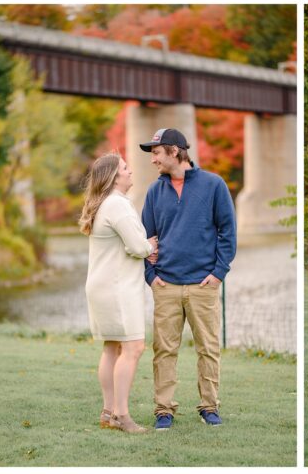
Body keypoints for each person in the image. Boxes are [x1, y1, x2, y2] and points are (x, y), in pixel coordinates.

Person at [139, 128, 237, 430]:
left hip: (203, 285)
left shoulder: (214, 185)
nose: (153, 159)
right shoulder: (155, 191)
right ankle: (164, 410)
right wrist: (151, 275)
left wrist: (219, 273)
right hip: (166, 285)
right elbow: (146, 239)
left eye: (156, 152)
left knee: (208, 348)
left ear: (174, 151)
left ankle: (209, 406)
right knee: (164, 350)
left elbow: (228, 232)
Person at [79, 152, 159, 434]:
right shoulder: (118, 205)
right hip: (117, 288)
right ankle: (121, 415)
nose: (130, 172)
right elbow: (137, 247)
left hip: (102, 287)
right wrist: (149, 246)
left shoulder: (105, 204)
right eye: (125, 168)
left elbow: (128, 243)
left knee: (112, 347)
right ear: (114, 177)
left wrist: (139, 244)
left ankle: (108, 411)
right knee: (134, 347)